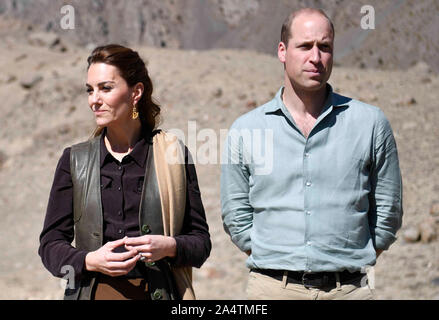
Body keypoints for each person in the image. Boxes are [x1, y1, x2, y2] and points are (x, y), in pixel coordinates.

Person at [221, 8, 403, 300]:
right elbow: (235, 215)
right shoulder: (246, 129)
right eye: (305, 46)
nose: (315, 57)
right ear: (282, 51)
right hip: (272, 290)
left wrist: (349, 262)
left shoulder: (370, 123)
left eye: (325, 47)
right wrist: (275, 260)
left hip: (350, 290)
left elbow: (387, 212)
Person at [39, 44, 211, 300]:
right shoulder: (74, 160)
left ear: (136, 92)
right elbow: (50, 245)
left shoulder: (172, 155)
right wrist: (89, 260)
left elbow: (200, 243)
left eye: (105, 88)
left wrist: (169, 246)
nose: (94, 100)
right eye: (90, 90)